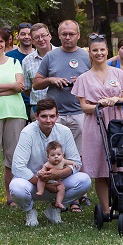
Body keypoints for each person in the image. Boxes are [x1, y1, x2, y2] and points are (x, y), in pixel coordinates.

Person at [9, 98, 92, 226]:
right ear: (36, 116)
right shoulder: (27, 132)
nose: (48, 120)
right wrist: (44, 184)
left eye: (52, 116)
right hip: (33, 184)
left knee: (84, 180)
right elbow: (18, 167)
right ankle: (30, 211)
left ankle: (54, 208)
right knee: (16, 187)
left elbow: (76, 162)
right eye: (44, 116)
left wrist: (59, 174)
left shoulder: (64, 131)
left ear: (57, 116)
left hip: (59, 184)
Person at [72, 35, 123, 210]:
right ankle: (106, 209)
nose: (99, 53)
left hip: (116, 122)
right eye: (95, 50)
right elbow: (83, 106)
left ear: (107, 51)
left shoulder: (118, 73)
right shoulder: (83, 77)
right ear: (90, 53)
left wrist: (115, 99)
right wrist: (99, 104)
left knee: (119, 165)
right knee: (101, 169)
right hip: (95, 124)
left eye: (102, 50)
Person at [0, 27, 28, 208]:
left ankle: (11, 197)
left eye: (2, 41)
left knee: (12, 156)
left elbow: (21, 86)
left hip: (16, 112)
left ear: (7, 42)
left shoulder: (15, 62)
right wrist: (10, 86)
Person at [34, 20, 91, 155]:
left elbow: (99, 82)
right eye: (64, 34)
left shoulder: (87, 56)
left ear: (78, 35)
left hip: (80, 112)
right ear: (58, 36)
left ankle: (79, 176)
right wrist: (50, 80)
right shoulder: (51, 56)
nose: (67, 37)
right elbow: (36, 84)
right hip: (54, 115)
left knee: (80, 154)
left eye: (71, 34)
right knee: (53, 154)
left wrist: (82, 81)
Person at [22, 23, 54, 117]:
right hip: (38, 108)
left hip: (61, 106)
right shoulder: (27, 61)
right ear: (32, 41)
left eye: (43, 35)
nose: (41, 39)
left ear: (50, 36)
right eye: (36, 37)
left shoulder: (61, 55)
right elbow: (27, 89)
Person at [36, 141, 78, 210]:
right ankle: (40, 191)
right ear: (48, 157)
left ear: (62, 155)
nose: (56, 157)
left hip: (57, 181)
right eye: (52, 155)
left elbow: (69, 162)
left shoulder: (63, 161)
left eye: (58, 154)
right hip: (47, 181)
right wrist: (40, 173)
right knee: (41, 180)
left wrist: (74, 163)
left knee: (62, 188)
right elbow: (42, 172)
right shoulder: (47, 164)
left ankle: (58, 202)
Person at [8, 22, 35, 119]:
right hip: (15, 103)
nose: (27, 37)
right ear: (17, 36)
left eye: (29, 34)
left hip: (36, 104)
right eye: (23, 34)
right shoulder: (9, 57)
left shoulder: (39, 55)